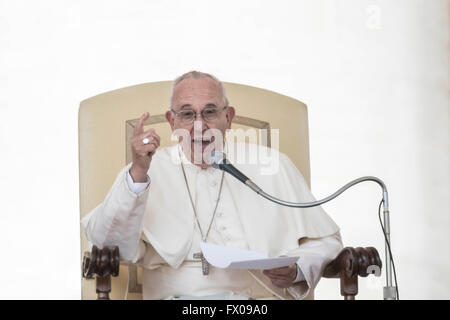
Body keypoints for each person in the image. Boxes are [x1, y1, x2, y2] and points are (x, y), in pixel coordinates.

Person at [82, 71, 343, 300]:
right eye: (187, 114)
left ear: (228, 118)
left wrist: (299, 268)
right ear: (172, 123)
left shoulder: (272, 165)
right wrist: (138, 171)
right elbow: (109, 242)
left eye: (209, 112)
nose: (199, 125)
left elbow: (327, 240)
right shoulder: (148, 169)